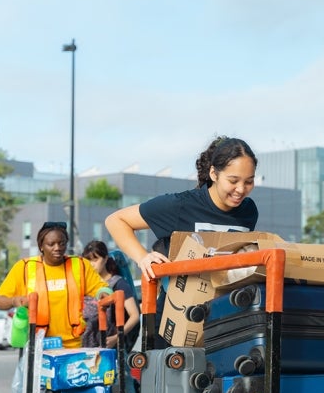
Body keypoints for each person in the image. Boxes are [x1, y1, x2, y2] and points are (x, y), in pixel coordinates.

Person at [104, 136, 258, 348]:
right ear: (214, 173)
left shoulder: (249, 211)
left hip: (224, 316)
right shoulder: (181, 205)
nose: (241, 189)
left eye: (249, 181)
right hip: (174, 319)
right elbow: (116, 221)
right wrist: (143, 258)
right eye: (233, 181)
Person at [0, 221, 111, 393]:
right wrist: (17, 300)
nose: (57, 248)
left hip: (71, 349)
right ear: (41, 246)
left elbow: (99, 287)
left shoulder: (78, 266)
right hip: (38, 349)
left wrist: (105, 293)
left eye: (62, 243)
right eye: (51, 244)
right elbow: (0, 300)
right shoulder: (25, 268)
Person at [81, 239, 142, 393]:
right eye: (87, 260)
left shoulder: (118, 283)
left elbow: (134, 315)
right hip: (89, 350)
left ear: (105, 259)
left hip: (114, 349)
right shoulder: (86, 285)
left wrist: (117, 336)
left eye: (95, 259)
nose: (92, 265)